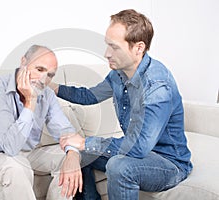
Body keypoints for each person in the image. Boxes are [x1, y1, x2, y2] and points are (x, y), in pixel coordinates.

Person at [50, 9, 193, 200]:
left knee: (118, 166)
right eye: (107, 45)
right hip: (138, 152)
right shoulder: (118, 74)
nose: (107, 53)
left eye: (114, 47)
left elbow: (140, 146)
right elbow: (89, 96)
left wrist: (84, 141)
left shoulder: (157, 86)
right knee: (82, 155)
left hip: (168, 163)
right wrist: (53, 87)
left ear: (139, 48)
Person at [0, 45, 82, 200]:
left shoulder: (47, 95)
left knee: (69, 157)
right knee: (16, 167)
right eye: (39, 69)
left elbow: (65, 130)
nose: (43, 80)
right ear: (23, 62)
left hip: (29, 154)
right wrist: (30, 103)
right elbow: (11, 148)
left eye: (50, 75)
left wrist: (72, 154)